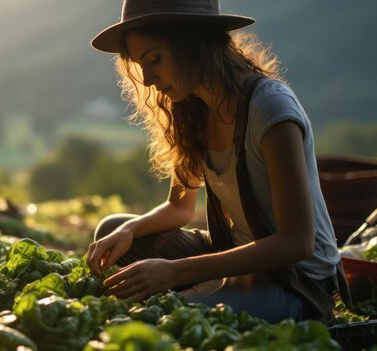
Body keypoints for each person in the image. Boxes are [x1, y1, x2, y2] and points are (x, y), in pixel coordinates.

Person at [85, 0, 350, 324]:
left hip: (294, 280)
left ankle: (207, 292)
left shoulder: (270, 110)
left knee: (170, 318)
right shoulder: (192, 110)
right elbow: (179, 208)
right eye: (141, 65)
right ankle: (210, 288)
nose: (149, 78)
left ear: (193, 42)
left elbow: (297, 243)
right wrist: (129, 229)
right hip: (235, 254)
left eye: (155, 60)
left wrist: (173, 271)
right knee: (112, 231)